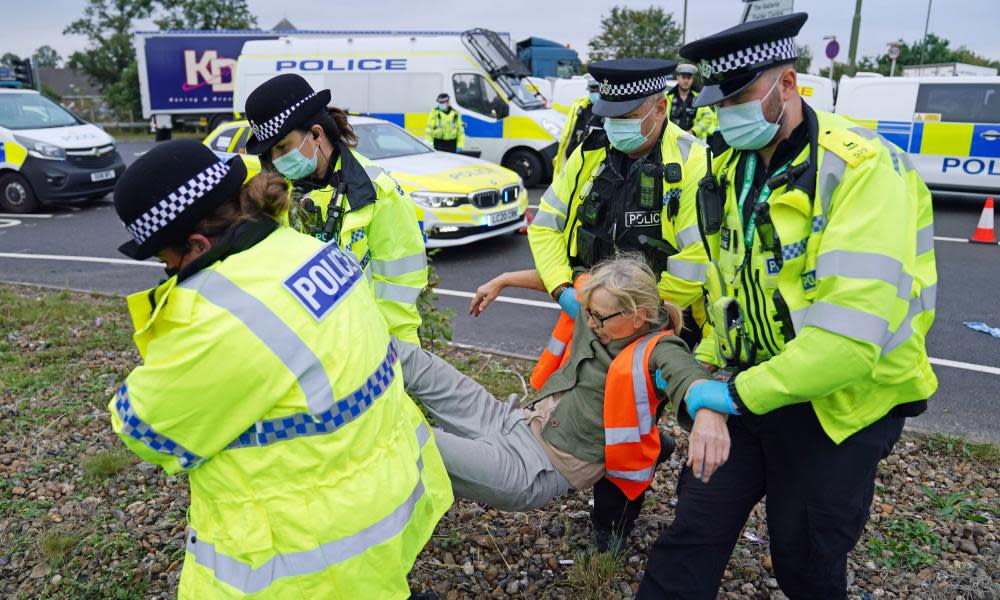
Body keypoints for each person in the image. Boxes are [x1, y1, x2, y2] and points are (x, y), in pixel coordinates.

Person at [638, 13, 938, 599]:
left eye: (741, 98)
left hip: (843, 402)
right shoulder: (728, 172)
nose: (728, 118)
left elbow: (848, 344)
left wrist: (727, 395)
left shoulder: (863, 172)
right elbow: (728, 295)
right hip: (751, 381)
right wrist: (709, 385)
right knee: (692, 531)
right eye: (719, 106)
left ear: (788, 84)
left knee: (805, 554)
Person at [107, 140, 452, 598]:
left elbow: (145, 428)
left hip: (308, 559)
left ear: (196, 243)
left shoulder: (220, 317)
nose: (167, 270)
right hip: (384, 495)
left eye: (165, 259)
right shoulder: (309, 250)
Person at [396, 255, 719, 537]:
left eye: (599, 317)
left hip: (530, 469)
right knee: (413, 360)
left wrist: (706, 413)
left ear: (639, 315)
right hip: (511, 419)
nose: (589, 322)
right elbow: (556, 281)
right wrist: (503, 280)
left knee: (403, 438)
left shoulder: (659, 350)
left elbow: (687, 374)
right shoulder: (598, 310)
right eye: (588, 311)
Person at [528, 58, 712, 548]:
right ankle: (655, 445)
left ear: (660, 107)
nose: (614, 126)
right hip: (595, 313)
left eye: (626, 116)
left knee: (626, 418)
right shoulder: (589, 153)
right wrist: (564, 293)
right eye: (608, 114)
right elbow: (545, 227)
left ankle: (613, 523)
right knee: (591, 401)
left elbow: (698, 259)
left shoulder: (691, 163)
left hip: (656, 318)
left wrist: (638, 317)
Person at [244, 73, 427, 345]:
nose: (277, 161)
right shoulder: (275, 193)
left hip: (365, 344)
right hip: (304, 344)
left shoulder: (378, 193)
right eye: (269, 153)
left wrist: (398, 361)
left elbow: (399, 295)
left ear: (316, 134)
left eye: (282, 147)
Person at [553, 78, 603, 175]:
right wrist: (569, 153)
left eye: (596, 91)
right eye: (591, 91)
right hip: (578, 159)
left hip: (595, 162)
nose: (593, 94)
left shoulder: (607, 113)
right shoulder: (583, 109)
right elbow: (574, 134)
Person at [665, 63, 718, 143]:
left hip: (695, 142)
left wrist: (693, 131)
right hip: (671, 140)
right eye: (683, 77)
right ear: (678, 78)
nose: (686, 81)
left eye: (689, 78)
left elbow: (707, 118)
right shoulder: (667, 97)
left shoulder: (700, 98)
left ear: (692, 79)